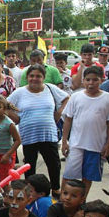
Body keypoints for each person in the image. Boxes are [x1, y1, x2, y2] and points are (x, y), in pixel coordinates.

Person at [8, 64, 69, 197]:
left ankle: (56, 188)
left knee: (53, 164)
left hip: (49, 134)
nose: (34, 79)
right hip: (29, 135)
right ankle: (31, 191)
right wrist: (16, 118)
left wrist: (59, 113)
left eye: (38, 76)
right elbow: (4, 105)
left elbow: (66, 99)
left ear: (44, 77)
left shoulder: (50, 88)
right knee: (29, 165)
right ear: (27, 77)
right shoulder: (19, 92)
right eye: (32, 76)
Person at [62, 66, 109, 197]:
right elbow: (68, 120)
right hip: (76, 144)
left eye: (95, 80)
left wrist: (108, 145)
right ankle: (63, 200)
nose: (91, 83)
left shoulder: (108, 98)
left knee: (88, 176)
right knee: (69, 174)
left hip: (96, 146)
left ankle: (82, 201)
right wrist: (64, 141)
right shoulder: (75, 97)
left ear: (102, 80)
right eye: (88, 80)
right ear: (83, 80)